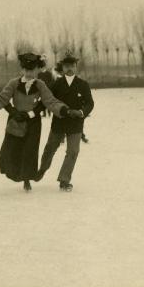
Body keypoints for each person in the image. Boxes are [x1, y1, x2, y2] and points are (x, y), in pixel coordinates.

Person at [0, 52, 79, 192]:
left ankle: (26, 180)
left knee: (29, 152)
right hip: (15, 122)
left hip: (33, 124)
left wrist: (63, 110)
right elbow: (3, 98)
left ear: (37, 70)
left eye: (32, 70)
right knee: (6, 153)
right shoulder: (14, 83)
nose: (29, 73)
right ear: (22, 70)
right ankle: (15, 175)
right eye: (26, 70)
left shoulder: (40, 84)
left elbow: (50, 101)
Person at [35, 54, 95, 191]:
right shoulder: (56, 84)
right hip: (59, 123)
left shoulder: (83, 85)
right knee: (50, 148)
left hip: (76, 124)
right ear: (62, 68)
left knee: (73, 151)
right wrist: (32, 112)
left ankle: (64, 179)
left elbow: (90, 103)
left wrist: (81, 112)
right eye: (67, 66)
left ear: (76, 67)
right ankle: (42, 169)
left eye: (72, 66)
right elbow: (47, 100)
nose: (69, 69)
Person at [53, 62, 89, 144]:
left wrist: (83, 110)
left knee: (77, 122)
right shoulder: (58, 81)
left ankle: (81, 136)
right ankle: (62, 137)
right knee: (62, 121)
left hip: (75, 108)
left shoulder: (76, 81)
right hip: (63, 107)